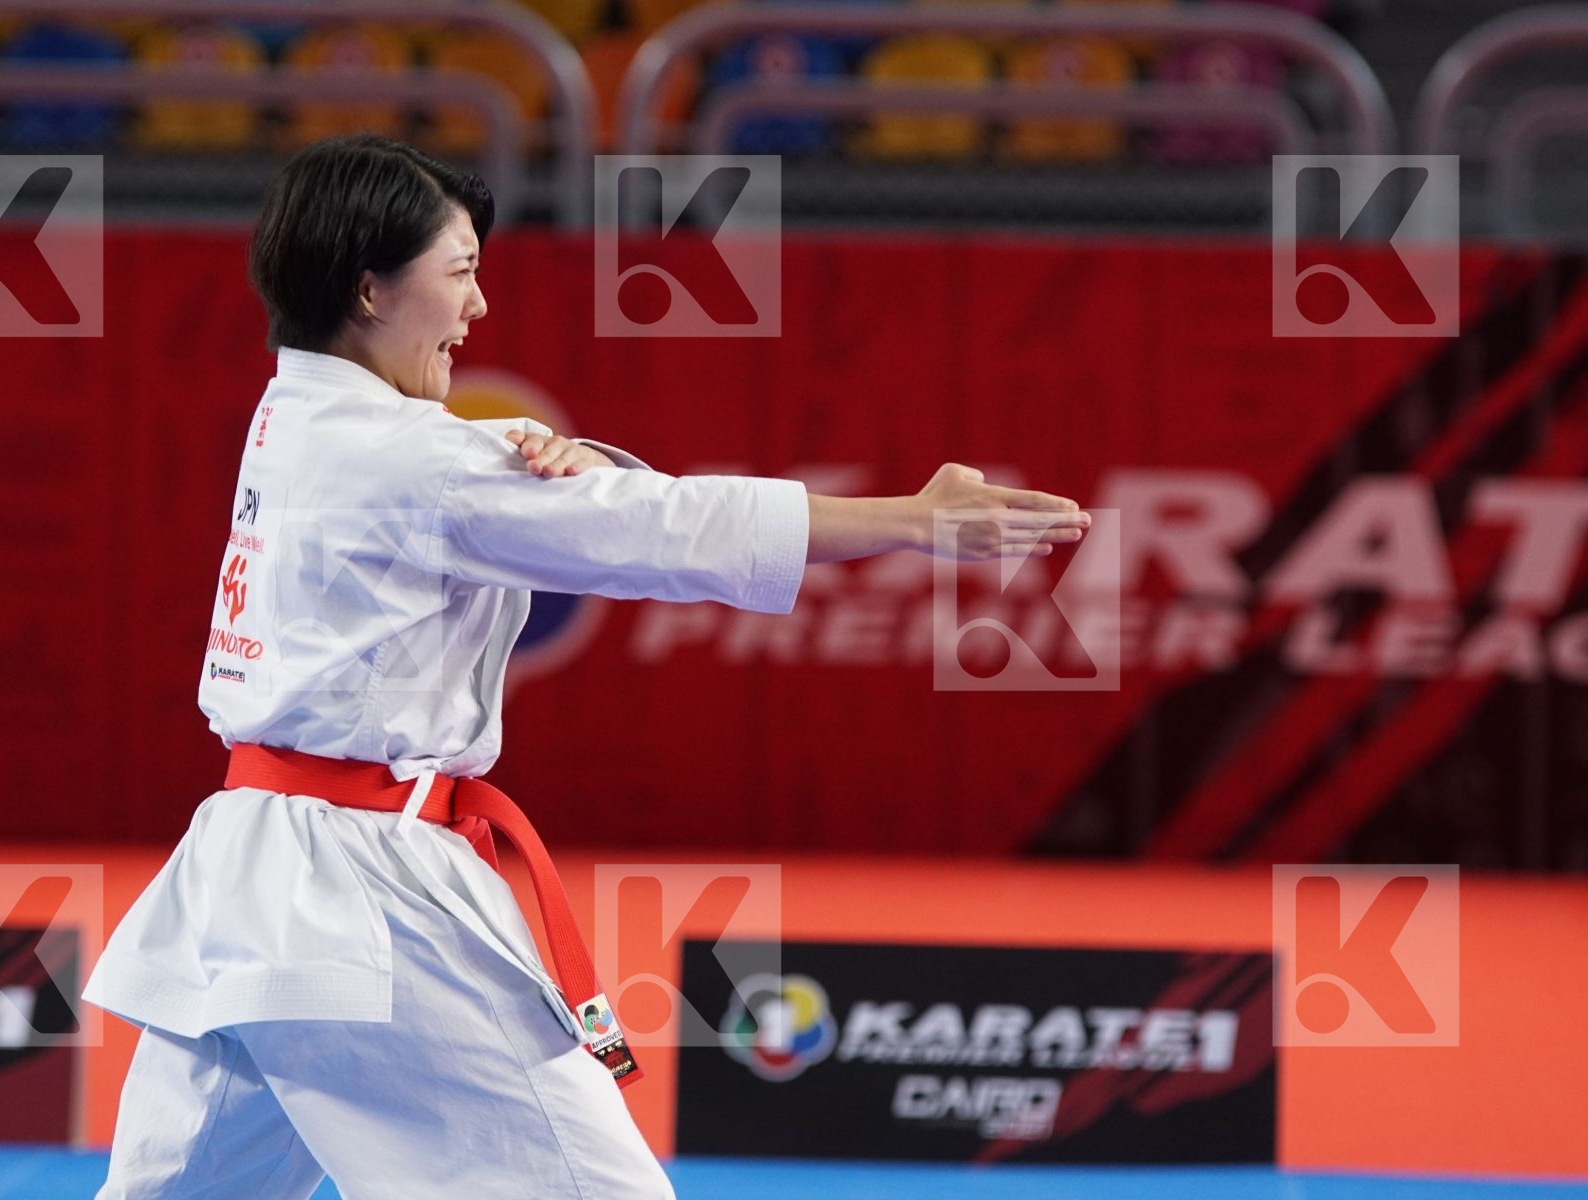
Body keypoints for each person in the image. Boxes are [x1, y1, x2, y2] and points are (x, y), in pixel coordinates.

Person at [85, 134, 1089, 1199]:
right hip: (361, 897)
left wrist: (581, 462)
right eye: (461, 273)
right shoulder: (408, 455)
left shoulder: (298, 416)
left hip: (250, 874)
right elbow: (657, 530)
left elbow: (540, 498)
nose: (477, 309)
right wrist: (907, 520)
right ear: (370, 288)